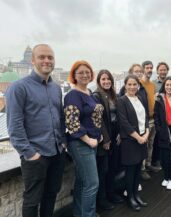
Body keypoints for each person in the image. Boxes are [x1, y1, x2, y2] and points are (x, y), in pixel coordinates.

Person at [6, 44, 66, 217]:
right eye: (42, 57)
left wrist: (63, 142)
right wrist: (30, 154)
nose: (47, 60)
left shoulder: (55, 88)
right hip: (36, 156)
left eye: (50, 57)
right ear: (32, 60)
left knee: (51, 194)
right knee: (32, 200)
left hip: (57, 152)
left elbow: (60, 117)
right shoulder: (19, 87)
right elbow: (14, 126)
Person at [64, 60, 107, 217]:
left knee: (83, 182)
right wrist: (89, 140)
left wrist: (98, 134)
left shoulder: (89, 93)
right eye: (80, 72)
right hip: (81, 144)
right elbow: (72, 123)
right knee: (92, 184)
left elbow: (93, 117)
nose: (84, 75)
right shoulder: (72, 95)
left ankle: (80, 213)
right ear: (74, 75)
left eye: (87, 72)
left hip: (92, 142)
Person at [93, 70, 124, 211]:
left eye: (108, 79)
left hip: (115, 135)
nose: (106, 81)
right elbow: (99, 121)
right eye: (103, 79)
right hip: (104, 138)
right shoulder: (96, 96)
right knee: (103, 170)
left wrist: (119, 134)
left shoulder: (114, 96)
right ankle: (102, 198)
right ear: (99, 81)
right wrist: (105, 139)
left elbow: (119, 117)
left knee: (112, 167)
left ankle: (111, 193)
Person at [117, 75, 149, 211]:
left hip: (142, 138)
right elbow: (124, 123)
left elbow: (145, 117)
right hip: (130, 141)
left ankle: (136, 194)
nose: (132, 87)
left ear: (138, 86)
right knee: (130, 171)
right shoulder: (122, 101)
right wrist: (138, 137)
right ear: (125, 85)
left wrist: (146, 133)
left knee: (138, 170)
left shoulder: (140, 98)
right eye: (129, 84)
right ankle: (130, 197)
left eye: (134, 84)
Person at [140, 61, 161, 177]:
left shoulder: (152, 85)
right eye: (147, 68)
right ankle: (142, 169)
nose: (149, 70)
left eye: (151, 68)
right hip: (144, 120)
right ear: (143, 69)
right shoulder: (139, 83)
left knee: (151, 143)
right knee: (144, 144)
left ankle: (148, 164)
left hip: (153, 117)